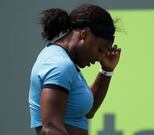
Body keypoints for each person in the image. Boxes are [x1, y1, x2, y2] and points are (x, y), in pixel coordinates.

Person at [28, 4, 121, 135]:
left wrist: (107, 70)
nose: (100, 57)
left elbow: (88, 111)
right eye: (100, 49)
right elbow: (51, 129)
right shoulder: (59, 64)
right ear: (85, 33)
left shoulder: (65, 63)